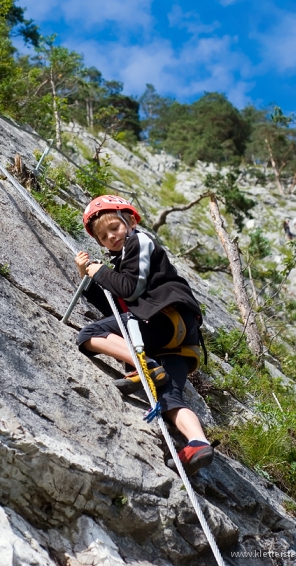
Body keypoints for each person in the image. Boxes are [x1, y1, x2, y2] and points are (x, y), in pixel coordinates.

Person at [75, 195, 214, 476]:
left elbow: (130, 290)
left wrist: (99, 271)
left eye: (114, 227)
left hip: (164, 320)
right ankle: (198, 443)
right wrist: (88, 280)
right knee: (168, 397)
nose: (111, 236)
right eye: (103, 236)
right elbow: (118, 306)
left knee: (90, 334)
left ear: (131, 221)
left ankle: (146, 366)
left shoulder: (139, 241)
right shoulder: (127, 256)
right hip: (175, 339)